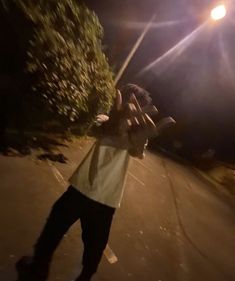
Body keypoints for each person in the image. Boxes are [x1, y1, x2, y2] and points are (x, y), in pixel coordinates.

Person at [16, 84, 175, 281]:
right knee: (52, 233)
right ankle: (38, 271)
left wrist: (136, 140)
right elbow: (99, 129)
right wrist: (116, 129)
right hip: (82, 190)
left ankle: (82, 277)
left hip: (104, 199)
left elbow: (137, 150)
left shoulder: (137, 136)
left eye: (138, 106)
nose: (133, 110)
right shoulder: (106, 121)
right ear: (121, 103)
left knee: (93, 250)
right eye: (130, 104)